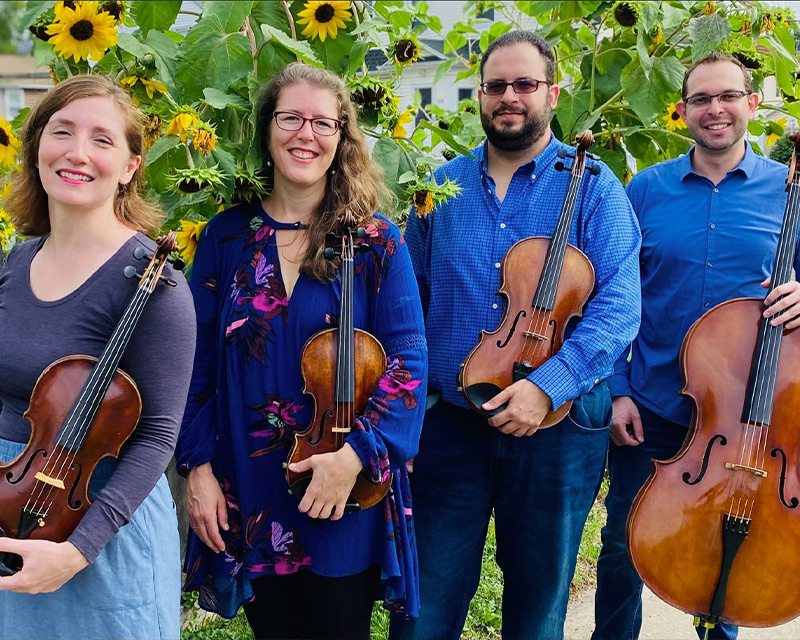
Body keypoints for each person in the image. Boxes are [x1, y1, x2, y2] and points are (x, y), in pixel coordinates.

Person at [389, 30, 641, 640]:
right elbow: (410, 307)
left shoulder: (593, 185)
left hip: (558, 428)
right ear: (479, 96)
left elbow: (618, 305)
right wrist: (408, 415)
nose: (509, 96)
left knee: (537, 609)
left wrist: (546, 387)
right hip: (450, 428)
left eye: (524, 84)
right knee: (424, 610)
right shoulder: (439, 190)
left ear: (552, 94)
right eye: (496, 85)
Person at [176, 62, 427, 640]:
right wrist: (199, 469)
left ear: (341, 138)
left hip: (344, 480)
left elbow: (408, 362)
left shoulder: (376, 240)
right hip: (251, 481)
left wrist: (357, 456)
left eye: (322, 122)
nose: (305, 134)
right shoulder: (225, 237)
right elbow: (195, 368)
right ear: (267, 129)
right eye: (291, 117)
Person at [593, 51, 800, 640]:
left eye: (728, 96)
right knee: (623, 542)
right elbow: (611, 293)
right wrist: (617, 390)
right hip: (653, 404)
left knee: (735, 532)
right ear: (682, 110)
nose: (716, 110)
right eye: (702, 99)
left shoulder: (790, 195)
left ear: (752, 105)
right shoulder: (645, 189)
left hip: (752, 417)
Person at [0, 74, 195, 639]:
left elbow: (158, 438)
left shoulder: (156, 285)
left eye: (102, 139)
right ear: (37, 148)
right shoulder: (19, 258)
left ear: (131, 165)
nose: (77, 153)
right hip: (10, 509)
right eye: (61, 131)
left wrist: (77, 551)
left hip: (100, 529)